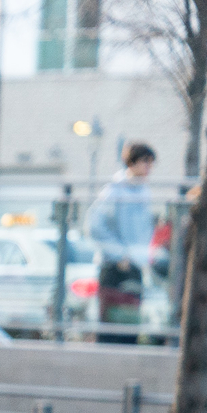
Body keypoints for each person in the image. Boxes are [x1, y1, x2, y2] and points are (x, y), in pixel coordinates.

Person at [86, 141, 155, 345]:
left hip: (135, 265)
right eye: (145, 162)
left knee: (130, 327)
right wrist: (119, 255)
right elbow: (94, 225)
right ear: (131, 163)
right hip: (114, 266)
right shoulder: (114, 190)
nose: (149, 168)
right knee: (111, 327)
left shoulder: (145, 191)